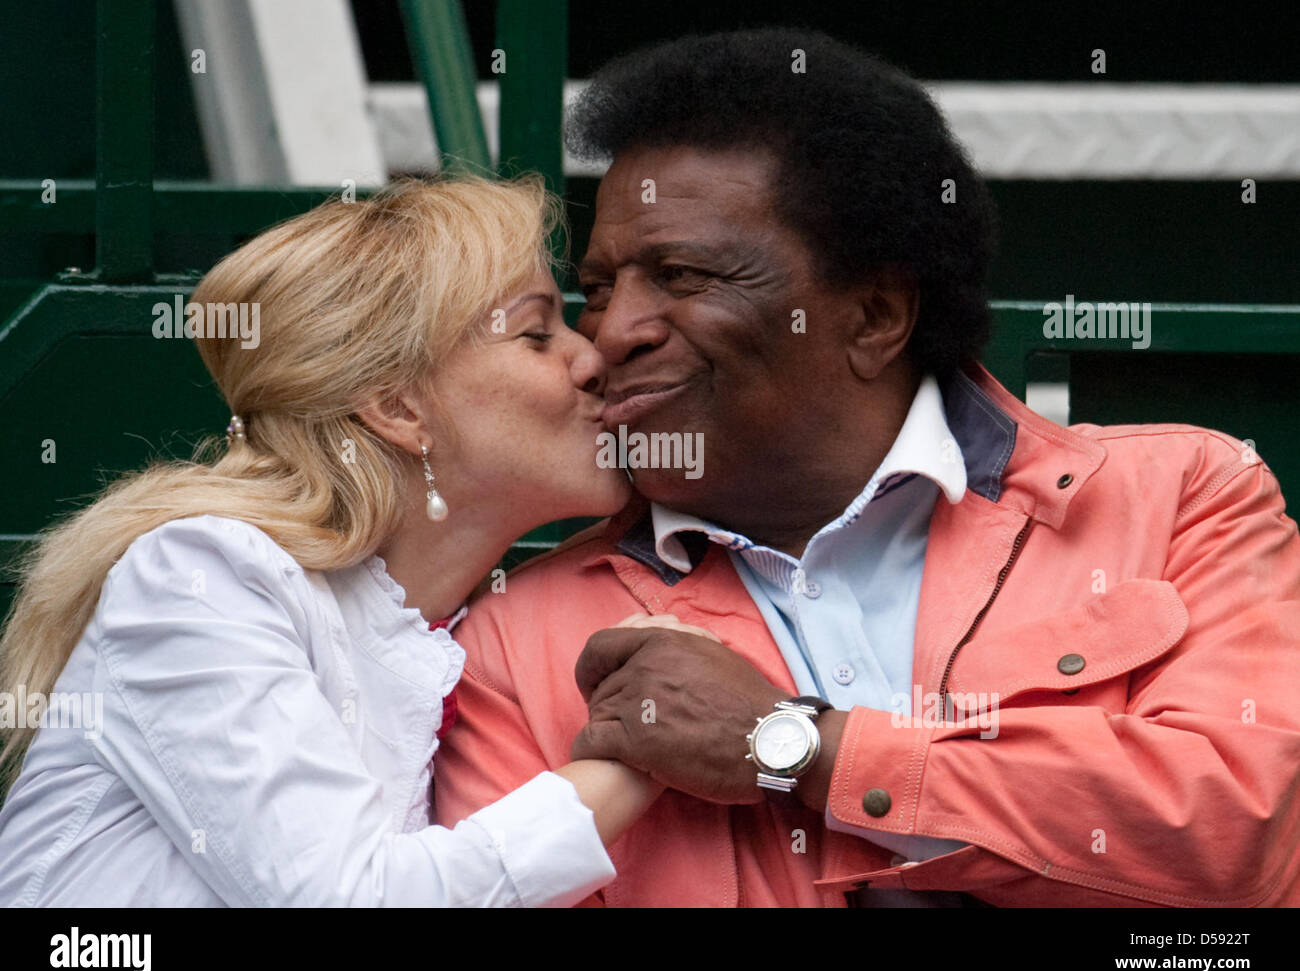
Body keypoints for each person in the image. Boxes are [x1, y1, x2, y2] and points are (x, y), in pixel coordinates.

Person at [433, 29, 1300, 907]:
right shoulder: (514, 637)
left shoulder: (1184, 494)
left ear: (875, 315)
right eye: (604, 286)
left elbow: (1239, 839)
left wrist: (802, 747)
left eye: (681, 275)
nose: (613, 332)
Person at [0, 175, 684, 907]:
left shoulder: (460, 628)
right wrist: (633, 753)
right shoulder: (204, 575)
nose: (591, 359)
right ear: (397, 406)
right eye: (537, 334)